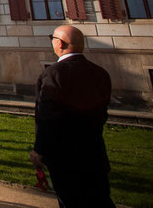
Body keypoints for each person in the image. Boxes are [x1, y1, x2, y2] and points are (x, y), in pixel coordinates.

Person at [30, 25, 113, 208]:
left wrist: (39, 149)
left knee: (71, 201)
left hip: (65, 157)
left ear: (59, 43)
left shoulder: (53, 73)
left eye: (52, 38)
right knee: (101, 200)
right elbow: (102, 113)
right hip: (95, 153)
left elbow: (47, 117)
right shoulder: (100, 72)